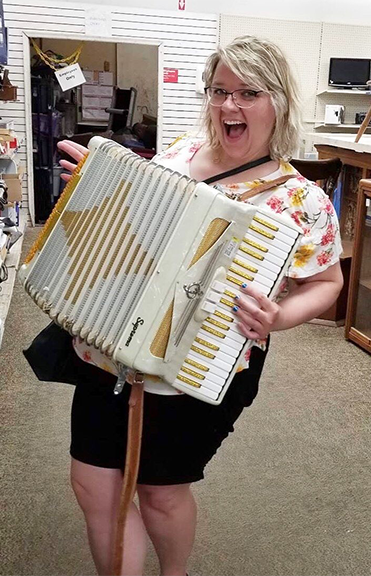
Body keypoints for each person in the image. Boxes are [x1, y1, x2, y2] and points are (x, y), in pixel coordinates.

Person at [56, 35, 343, 576]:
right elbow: (136, 229)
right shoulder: (183, 151)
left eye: (248, 93)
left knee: (160, 492)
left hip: (201, 361)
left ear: (277, 100)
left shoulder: (301, 199)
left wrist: (279, 318)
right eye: (218, 91)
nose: (228, 106)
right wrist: (90, 192)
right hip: (109, 343)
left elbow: (329, 281)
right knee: (94, 483)